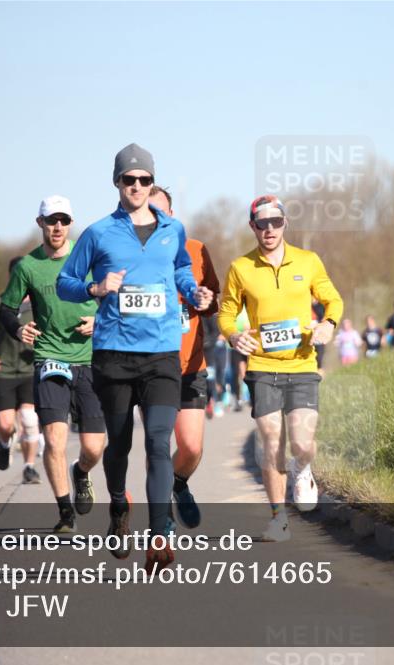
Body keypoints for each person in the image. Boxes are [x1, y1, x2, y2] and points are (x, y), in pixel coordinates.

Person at [57, 143, 213, 574]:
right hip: (114, 354)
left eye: (145, 179)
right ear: (117, 183)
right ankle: (119, 503)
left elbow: (181, 269)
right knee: (120, 445)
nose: (138, 187)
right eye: (130, 180)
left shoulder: (173, 229)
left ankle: (159, 531)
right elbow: (66, 283)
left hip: (162, 353)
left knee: (159, 443)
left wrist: (194, 289)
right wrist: (96, 288)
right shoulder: (98, 232)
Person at [219, 194, 343, 542]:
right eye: (262, 223)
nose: (269, 229)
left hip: (302, 364)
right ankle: (279, 519)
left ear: (285, 223)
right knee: (271, 440)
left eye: (276, 221)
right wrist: (233, 336)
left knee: (302, 443)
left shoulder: (309, 261)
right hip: (262, 366)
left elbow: (333, 299)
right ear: (252, 227)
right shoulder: (240, 268)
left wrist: (328, 324)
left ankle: (302, 468)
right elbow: (226, 312)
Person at [0, 196, 103, 533]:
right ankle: (65, 513)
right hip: (50, 359)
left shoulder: (88, 258)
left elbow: (115, 298)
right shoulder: (27, 266)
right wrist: (18, 327)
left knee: (93, 447)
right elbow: (6, 308)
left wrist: (98, 319)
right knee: (54, 441)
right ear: (40, 223)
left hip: (89, 360)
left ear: (70, 223)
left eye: (63, 220)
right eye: (50, 220)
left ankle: (82, 472)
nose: (57, 227)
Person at [149, 185, 219, 530]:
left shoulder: (196, 250)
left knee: (190, 448)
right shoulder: (132, 255)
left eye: (160, 212)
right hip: (150, 366)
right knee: (159, 446)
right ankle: (161, 519)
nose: (154, 219)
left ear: (172, 215)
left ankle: (177, 484)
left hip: (191, 366)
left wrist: (207, 302)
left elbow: (216, 304)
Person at [0, 257, 40, 484]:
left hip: (29, 369)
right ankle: (5, 444)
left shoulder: (38, 304)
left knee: (29, 419)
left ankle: (29, 466)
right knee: (5, 425)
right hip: (4, 371)